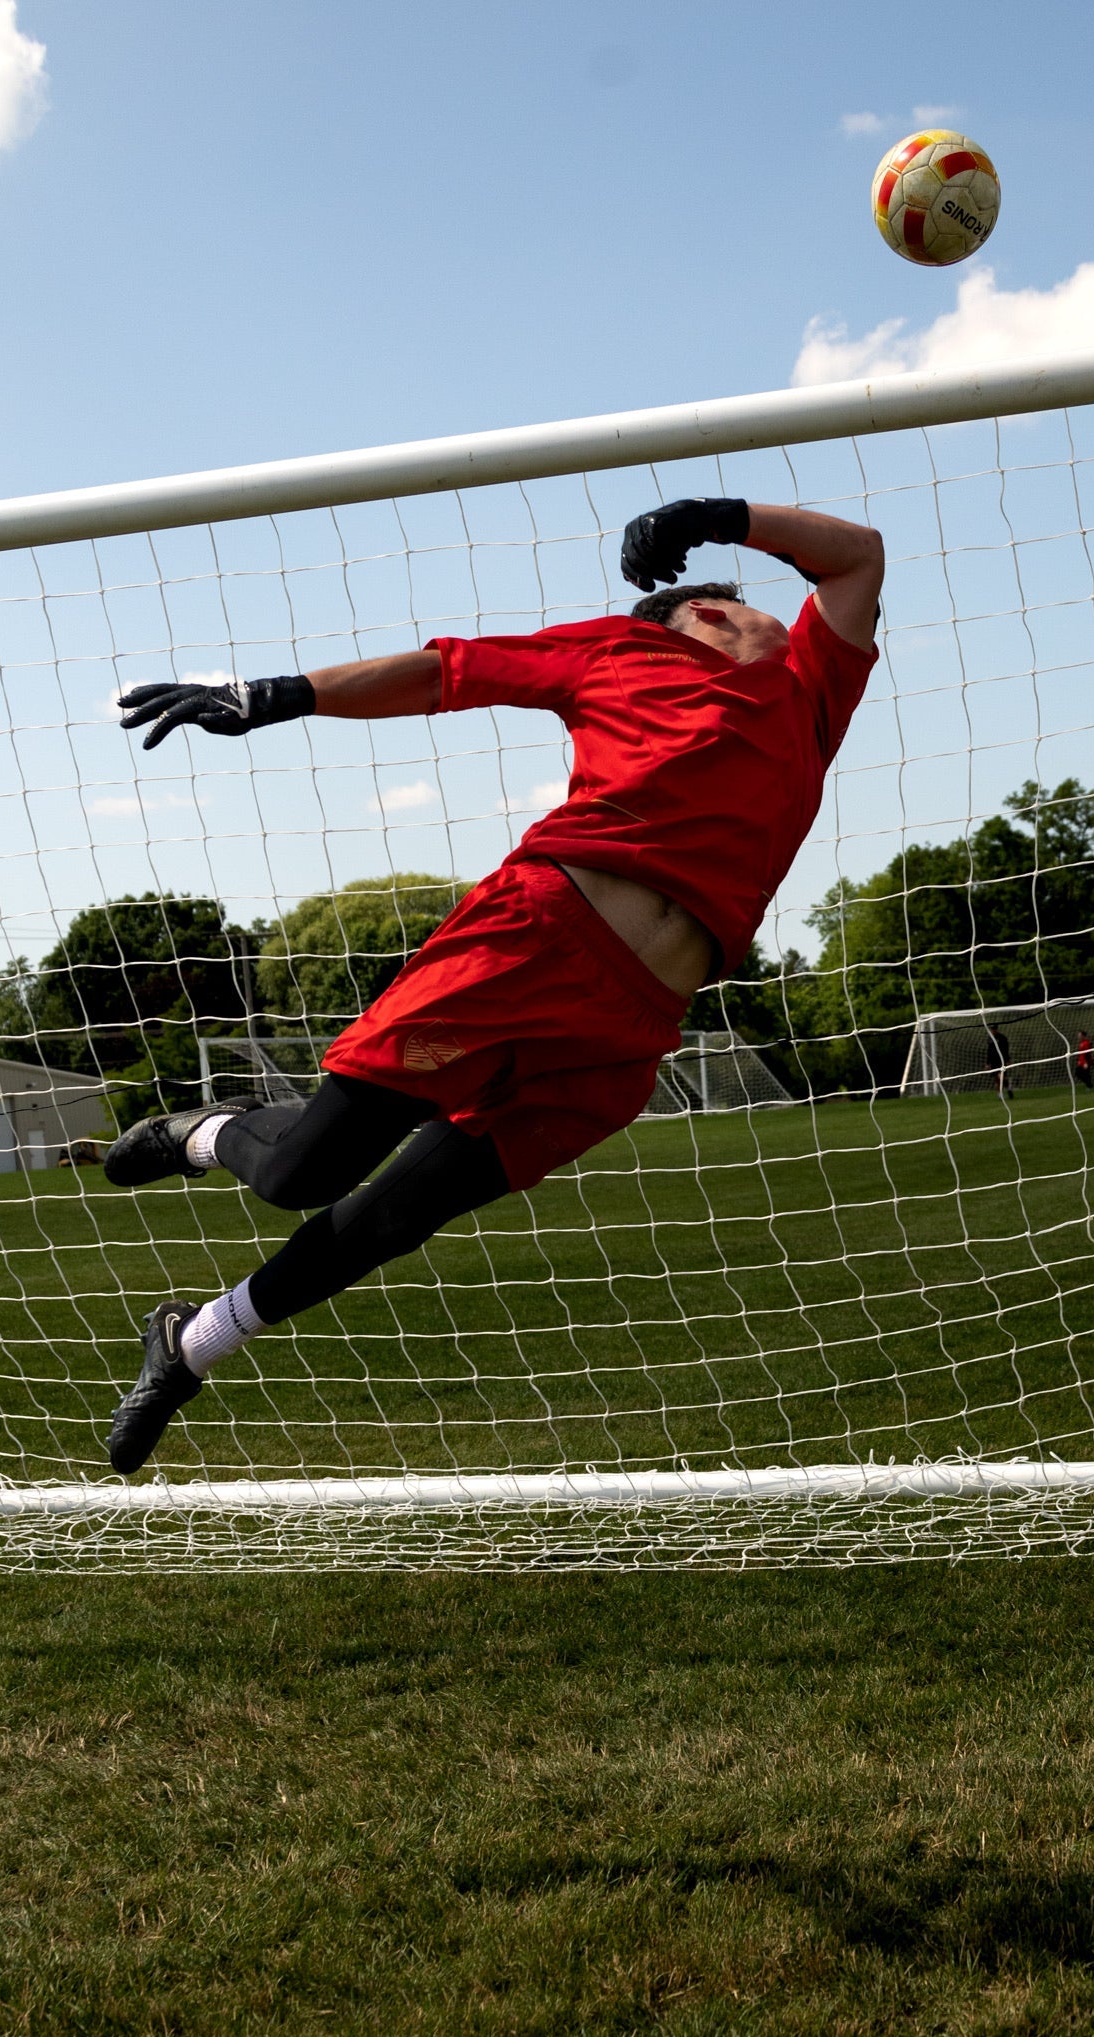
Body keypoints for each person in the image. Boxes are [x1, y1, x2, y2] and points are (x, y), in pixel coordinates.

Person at [102, 495, 885, 1473]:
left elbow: (856, 556)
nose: (776, 608)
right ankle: (207, 1129)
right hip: (528, 949)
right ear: (706, 615)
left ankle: (190, 1343)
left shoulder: (812, 694)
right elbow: (448, 672)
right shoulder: (615, 650)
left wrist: (716, 513)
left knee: (399, 1215)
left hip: (629, 1029)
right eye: (740, 601)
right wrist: (277, 693)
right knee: (304, 1174)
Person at [983, 1025, 1010, 1095]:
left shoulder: (1002, 1038)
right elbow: (989, 1052)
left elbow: (1006, 1050)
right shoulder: (990, 1039)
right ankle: (1001, 1094)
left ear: (996, 1029)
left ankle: (1008, 1087)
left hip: (1001, 1060)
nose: (993, 1030)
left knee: (1002, 1077)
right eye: (991, 1029)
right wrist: (987, 1063)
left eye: (994, 1029)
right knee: (997, 1079)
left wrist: (1007, 1060)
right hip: (993, 1061)